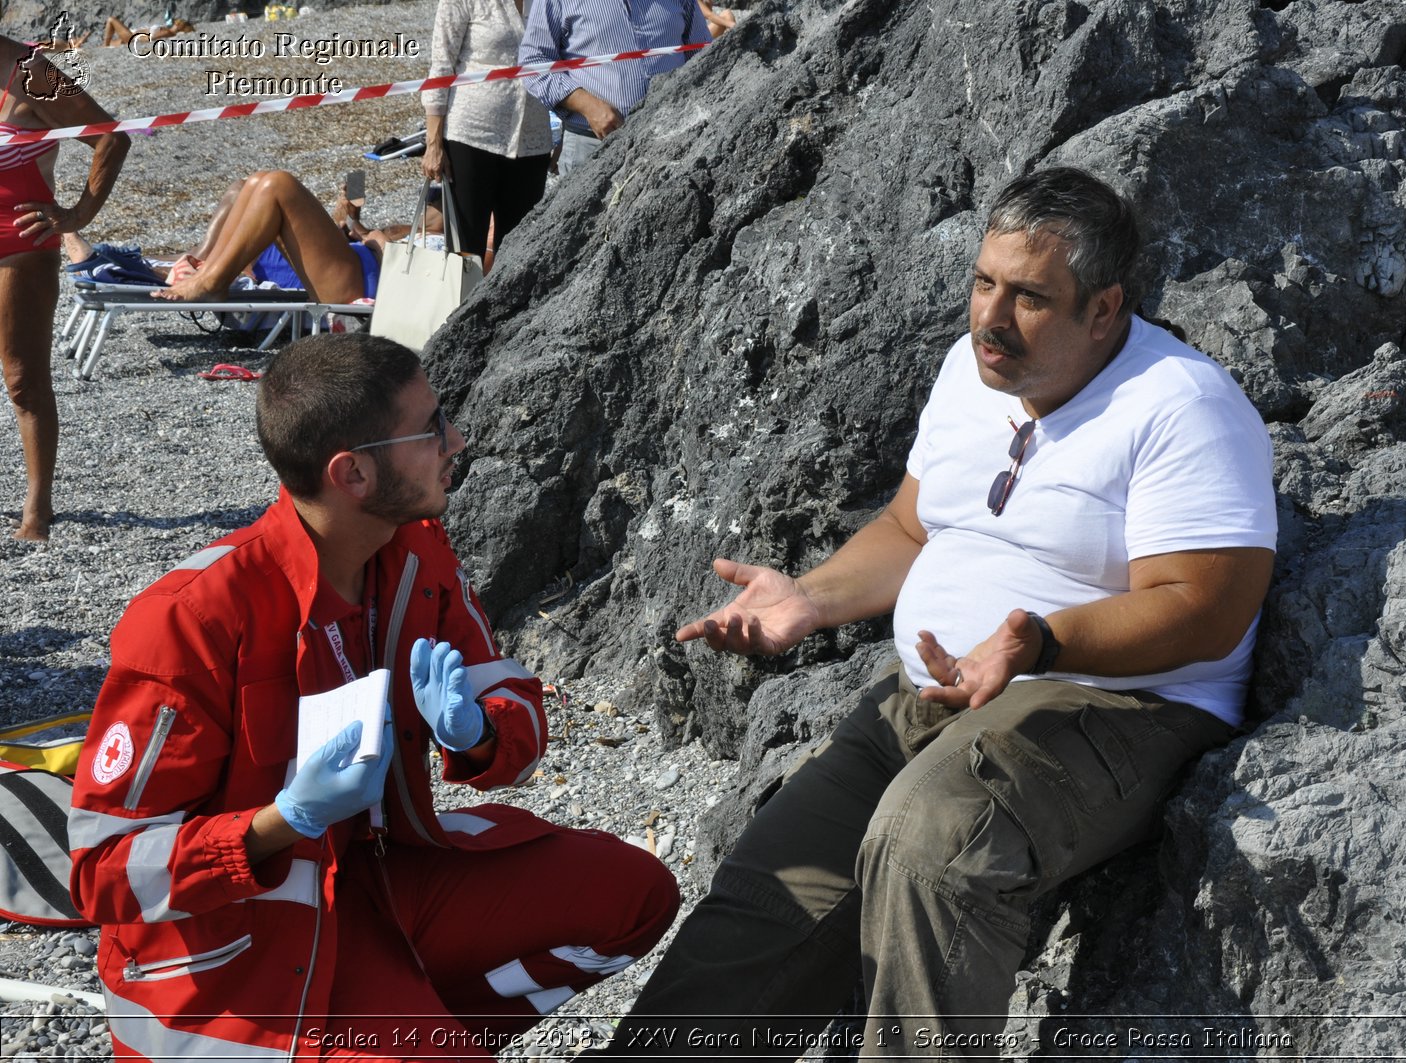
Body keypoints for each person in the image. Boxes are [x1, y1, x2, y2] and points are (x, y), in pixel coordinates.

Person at [603, 167, 1278, 1055]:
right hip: (934, 689)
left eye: (1030, 296)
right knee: (772, 885)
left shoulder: (1182, 406)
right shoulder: (973, 370)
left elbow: (1205, 607)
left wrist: (1039, 643)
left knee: (932, 846)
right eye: (984, 282)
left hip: (1115, 702)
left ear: (1105, 308)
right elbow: (912, 525)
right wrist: (812, 596)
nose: (991, 317)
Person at [69, 333, 680, 1061]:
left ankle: (409, 1029)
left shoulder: (415, 550)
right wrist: (278, 822)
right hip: (240, 961)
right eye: (432, 427)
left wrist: (478, 731)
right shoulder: (192, 619)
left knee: (632, 891)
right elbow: (101, 873)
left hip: (377, 878)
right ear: (352, 473)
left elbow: (511, 696)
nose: (457, 438)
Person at [0, 37, 129, 541]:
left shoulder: (29, 72)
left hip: (20, 241)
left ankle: (38, 507)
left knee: (22, 378)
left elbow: (111, 138)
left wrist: (77, 216)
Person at [156, 170, 415, 303]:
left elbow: (386, 248)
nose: (427, 213)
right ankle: (208, 275)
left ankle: (212, 283)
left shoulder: (435, 238)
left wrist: (366, 231)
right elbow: (379, 241)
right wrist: (353, 221)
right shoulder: (420, 232)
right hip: (359, 262)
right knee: (256, 181)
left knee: (279, 185)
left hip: (363, 280)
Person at [423, 0, 553, 260]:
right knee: (465, 252)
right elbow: (441, 67)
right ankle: (463, 302)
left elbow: (564, 59)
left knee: (520, 251)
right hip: (471, 137)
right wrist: (433, 144)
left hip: (533, 141)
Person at [519, 0, 710, 176]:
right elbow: (534, 64)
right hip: (593, 145)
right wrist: (587, 105)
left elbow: (705, 56)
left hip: (673, 139)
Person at [100, 15, 195, 48]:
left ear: (179, 26)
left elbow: (151, 38)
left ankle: (105, 45)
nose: (175, 22)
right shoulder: (167, 31)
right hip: (131, 37)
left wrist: (138, 38)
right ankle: (105, 45)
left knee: (111, 20)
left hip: (132, 37)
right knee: (108, 44)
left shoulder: (168, 32)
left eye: (177, 22)